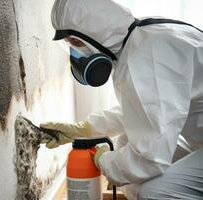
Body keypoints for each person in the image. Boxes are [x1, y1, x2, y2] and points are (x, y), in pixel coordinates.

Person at [40, 0, 203, 199]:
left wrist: (104, 161)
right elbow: (144, 111)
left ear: (96, 32)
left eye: (75, 43)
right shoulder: (139, 36)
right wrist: (84, 128)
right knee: (127, 141)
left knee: (154, 192)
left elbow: (151, 159)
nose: (75, 54)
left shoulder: (148, 57)